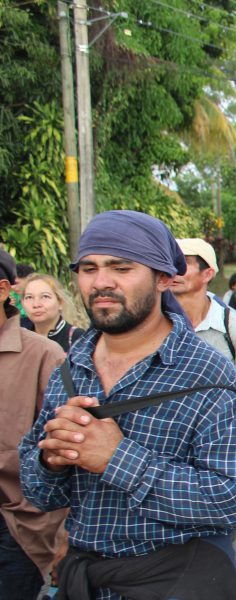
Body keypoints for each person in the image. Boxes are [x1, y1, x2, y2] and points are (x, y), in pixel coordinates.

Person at [18, 210, 236, 599]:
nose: (101, 282)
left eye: (121, 268)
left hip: (177, 582)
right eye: (89, 268)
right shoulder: (72, 367)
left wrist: (117, 458)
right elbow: (40, 494)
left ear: (164, 278)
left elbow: (232, 501)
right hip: (84, 580)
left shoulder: (206, 375)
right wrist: (50, 460)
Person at [1, 248, 68, 599]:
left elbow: (67, 448)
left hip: (17, 525)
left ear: (2, 291)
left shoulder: (44, 354)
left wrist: (64, 536)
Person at [172, 238, 236, 408]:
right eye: (170, 262)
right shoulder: (153, 325)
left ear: (207, 274)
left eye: (183, 263)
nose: (174, 270)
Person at [20, 273, 84, 352]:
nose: (36, 304)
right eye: (29, 297)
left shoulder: (78, 338)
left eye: (45, 296)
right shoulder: (19, 338)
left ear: (60, 302)